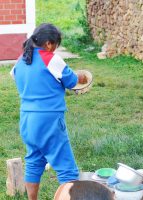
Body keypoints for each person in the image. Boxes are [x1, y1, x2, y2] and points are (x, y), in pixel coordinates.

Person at [10, 23, 86, 200]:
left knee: (34, 162)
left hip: (27, 120)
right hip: (48, 121)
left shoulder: (20, 60)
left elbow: (15, 76)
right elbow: (73, 81)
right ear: (50, 44)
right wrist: (81, 77)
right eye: (56, 45)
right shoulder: (51, 59)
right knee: (67, 169)